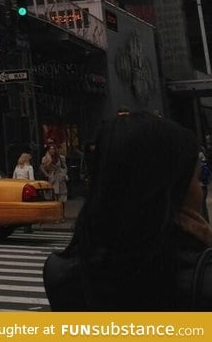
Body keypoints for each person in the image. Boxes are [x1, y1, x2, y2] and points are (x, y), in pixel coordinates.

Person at [44, 112, 212, 311]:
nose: (201, 189)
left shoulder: (60, 273)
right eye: (196, 179)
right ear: (170, 188)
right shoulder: (199, 278)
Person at [40, 142, 68, 212]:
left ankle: (62, 214)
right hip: (52, 179)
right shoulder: (45, 158)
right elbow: (42, 168)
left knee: (62, 198)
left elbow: (65, 167)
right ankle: (56, 215)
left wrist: (63, 175)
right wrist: (47, 175)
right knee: (53, 197)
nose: (52, 150)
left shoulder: (61, 158)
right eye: (50, 149)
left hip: (60, 179)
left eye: (53, 149)